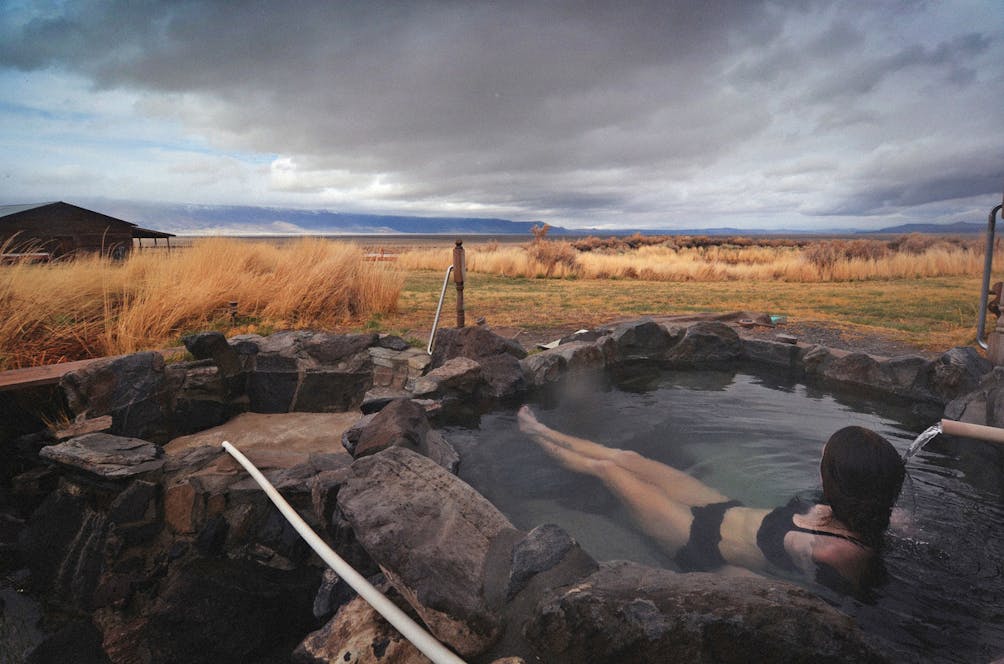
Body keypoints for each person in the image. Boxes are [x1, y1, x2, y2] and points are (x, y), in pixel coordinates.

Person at [517, 405, 905, 589]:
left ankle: (532, 436)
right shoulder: (861, 510)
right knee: (628, 458)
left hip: (700, 541)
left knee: (608, 470)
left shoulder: (838, 550)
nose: (818, 456)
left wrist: (714, 576)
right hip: (723, 508)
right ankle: (544, 429)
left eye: (825, 457)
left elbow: (794, 592)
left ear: (841, 478)